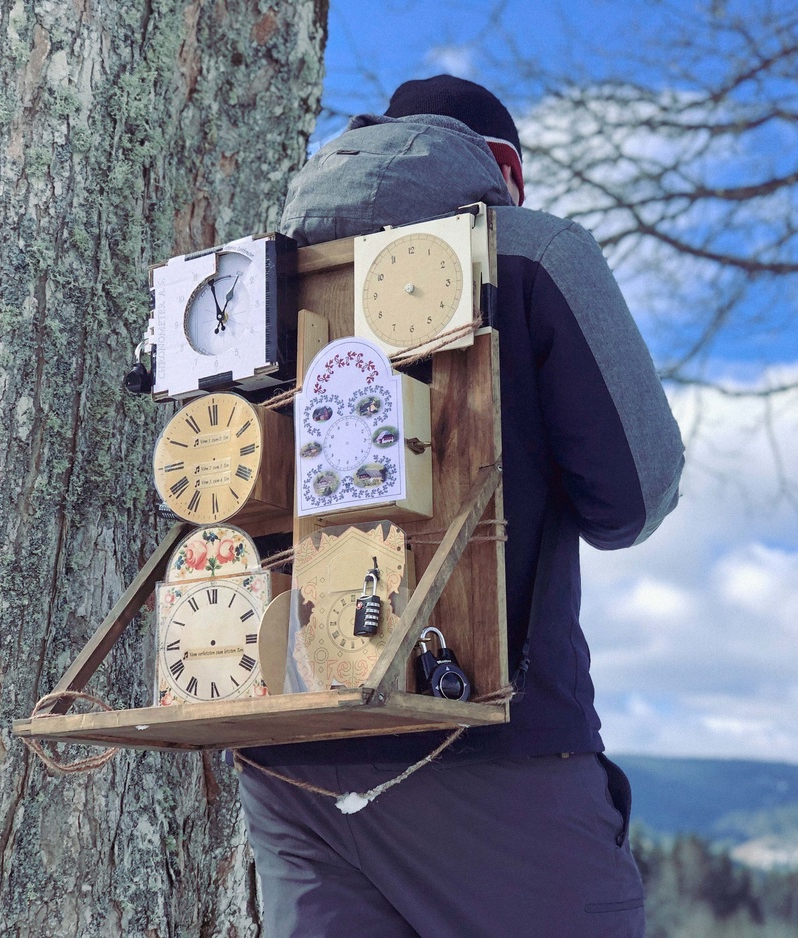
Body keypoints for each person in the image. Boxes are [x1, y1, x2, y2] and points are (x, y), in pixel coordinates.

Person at [236, 75, 684, 938]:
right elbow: (634, 498)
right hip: (484, 742)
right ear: (504, 170)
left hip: (287, 750)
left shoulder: (254, 277)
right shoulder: (533, 252)